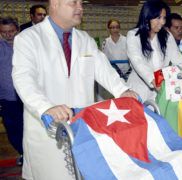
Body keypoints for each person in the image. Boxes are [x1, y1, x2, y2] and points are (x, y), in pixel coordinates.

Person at [12, 0, 138, 179]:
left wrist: (122, 90)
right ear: (55, 4)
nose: (80, 7)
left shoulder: (84, 39)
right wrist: (45, 107)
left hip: (81, 129)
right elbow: (23, 79)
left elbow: (103, 69)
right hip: (48, 132)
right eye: (73, 3)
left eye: (81, 3)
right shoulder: (28, 38)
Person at [126, 0, 182, 101]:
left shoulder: (167, 36)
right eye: (158, 18)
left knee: (157, 115)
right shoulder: (133, 36)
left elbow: (178, 59)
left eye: (164, 18)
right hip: (138, 90)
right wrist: (154, 81)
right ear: (147, 16)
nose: (162, 22)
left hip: (160, 89)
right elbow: (138, 63)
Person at [0, 17, 23, 166]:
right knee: (12, 128)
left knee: (28, 128)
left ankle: (31, 154)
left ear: (17, 30)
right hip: (6, 98)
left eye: (11, 31)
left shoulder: (26, 45)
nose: (8, 35)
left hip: (26, 97)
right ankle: (22, 152)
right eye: (4, 32)